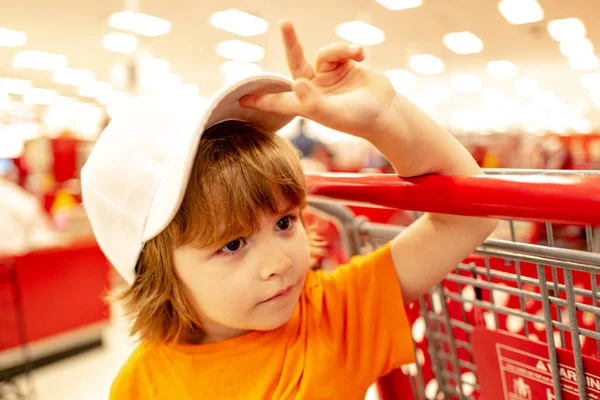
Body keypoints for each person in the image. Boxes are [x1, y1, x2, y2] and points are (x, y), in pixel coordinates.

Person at [81, 20, 498, 399]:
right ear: (159, 273)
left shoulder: (333, 315)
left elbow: (470, 213)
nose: (278, 262)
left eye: (284, 221)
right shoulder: (141, 386)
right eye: (232, 244)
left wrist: (385, 117)